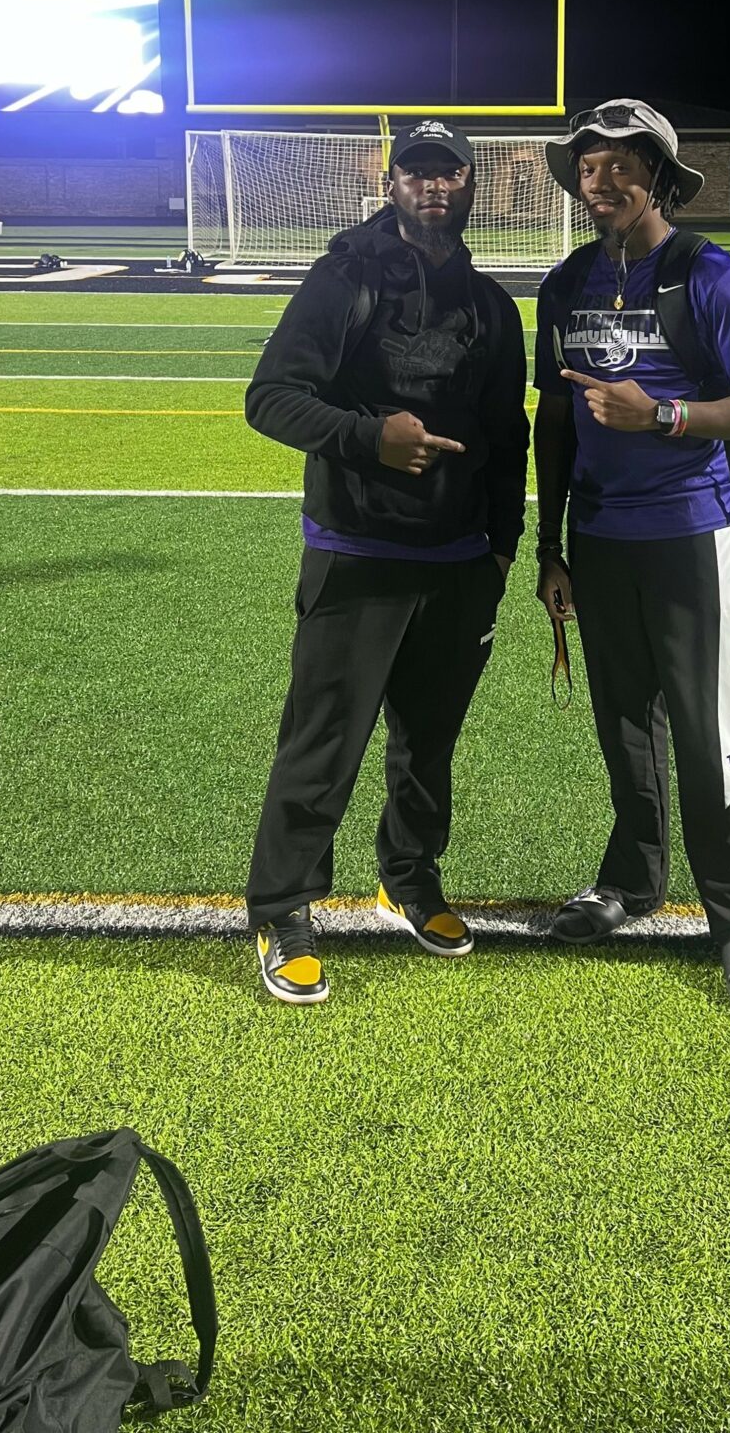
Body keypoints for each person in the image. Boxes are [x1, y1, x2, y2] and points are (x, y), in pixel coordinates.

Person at [242, 123, 527, 1004]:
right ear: (391, 178)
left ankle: (409, 876)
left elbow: (508, 435)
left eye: (449, 173)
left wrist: (502, 549)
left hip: (457, 563)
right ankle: (282, 907)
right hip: (358, 554)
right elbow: (271, 398)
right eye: (417, 171)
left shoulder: (489, 304)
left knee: (428, 746)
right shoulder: (344, 277)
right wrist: (372, 438)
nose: (433, 186)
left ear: (471, 183)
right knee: (324, 740)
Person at [532, 101, 730, 1006]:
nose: (597, 183)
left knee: (708, 733)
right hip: (599, 544)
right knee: (623, 724)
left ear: (657, 173)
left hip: (691, 535)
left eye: (617, 166)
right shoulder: (566, 283)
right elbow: (556, 424)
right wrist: (551, 544)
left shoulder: (710, 277)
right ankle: (632, 883)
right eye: (587, 166)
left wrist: (666, 415)